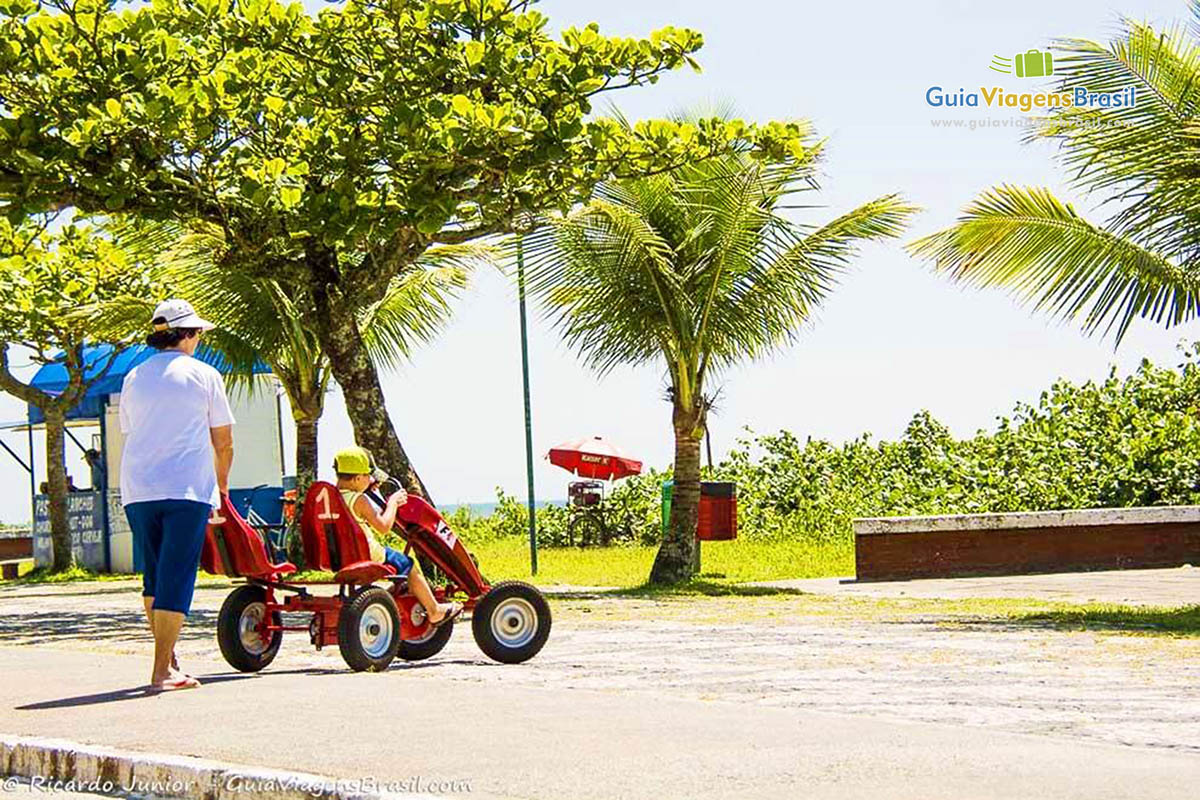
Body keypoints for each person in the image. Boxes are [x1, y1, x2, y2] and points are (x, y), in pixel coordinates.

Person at [120, 299, 234, 692]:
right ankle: (161, 672)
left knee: (153, 577)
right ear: (187, 334)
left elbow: (133, 429)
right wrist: (221, 484)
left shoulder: (133, 376)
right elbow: (224, 441)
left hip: (138, 490)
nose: (200, 338)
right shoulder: (205, 375)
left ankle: (167, 660)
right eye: (198, 332)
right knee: (177, 576)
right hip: (186, 489)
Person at [333, 446, 461, 627]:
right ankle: (434, 611)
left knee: (400, 565)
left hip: (338, 554)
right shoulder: (359, 500)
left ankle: (393, 598)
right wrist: (393, 502)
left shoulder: (332, 496)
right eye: (367, 476)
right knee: (408, 564)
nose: (370, 479)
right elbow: (384, 527)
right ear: (357, 478)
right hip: (365, 553)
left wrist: (369, 488)